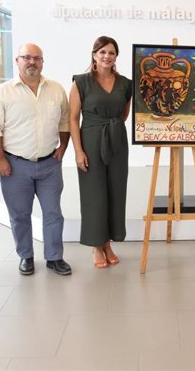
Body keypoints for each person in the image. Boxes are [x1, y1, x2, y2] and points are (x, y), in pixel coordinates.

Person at [0, 43, 72, 276]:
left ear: (42, 62)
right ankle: (26, 256)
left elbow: (65, 121)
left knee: (53, 213)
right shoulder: (3, 91)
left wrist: (63, 147)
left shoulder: (56, 89)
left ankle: (55, 257)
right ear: (17, 61)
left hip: (49, 164)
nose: (32, 62)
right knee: (20, 214)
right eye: (26, 57)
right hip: (15, 165)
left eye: (37, 58)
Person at [69, 36, 132, 268]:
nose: (107, 56)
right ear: (94, 54)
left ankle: (108, 243)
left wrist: (112, 127)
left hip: (117, 141)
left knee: (116, 192)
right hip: (91, 141)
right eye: (102, 52)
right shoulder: (81, 82)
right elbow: (73, 119)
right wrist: (78, 151)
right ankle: (97, 246)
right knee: (94, 195)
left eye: (112, 52)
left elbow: (124, 115)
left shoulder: (126, 84)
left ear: (116, 56)